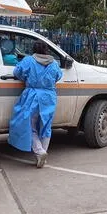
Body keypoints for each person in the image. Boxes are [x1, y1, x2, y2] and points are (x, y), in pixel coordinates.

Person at [8, 40, 63, 168]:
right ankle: (42, 155)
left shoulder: (28, 60)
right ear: (46, 50)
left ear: (34, 49)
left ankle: (40, 151)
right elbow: (58, 76)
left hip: (32, 96)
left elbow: (17, 72)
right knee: (46, 127)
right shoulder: (54, 63)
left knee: (28, 125)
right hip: (49, 97)